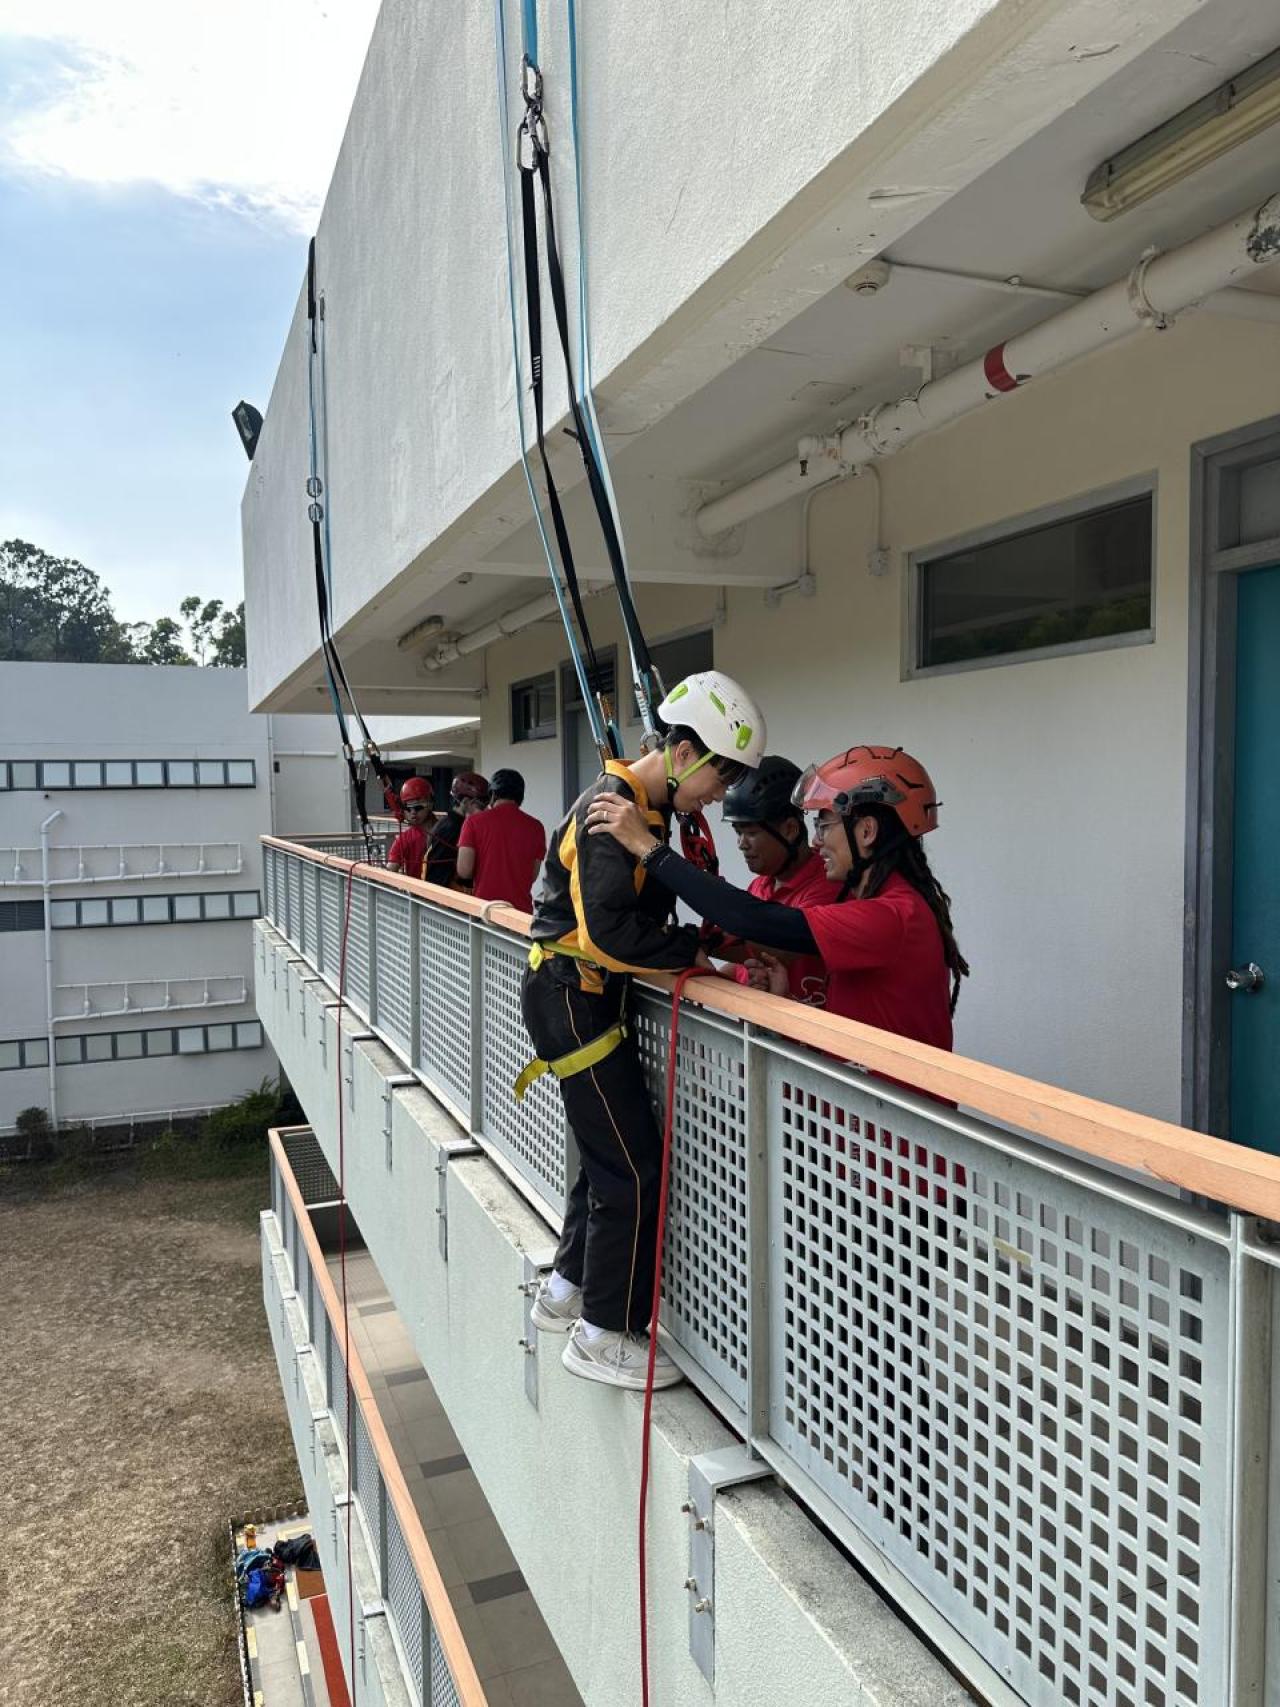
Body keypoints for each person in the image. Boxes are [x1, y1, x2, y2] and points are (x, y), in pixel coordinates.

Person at [521, 671, 766, 1390]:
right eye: (721, 776)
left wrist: (700, 937)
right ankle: (602, 1333)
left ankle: (566, 1288)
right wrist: (691, 953)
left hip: (576, 997)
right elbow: (609, 933)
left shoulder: (642, 810)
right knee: (632, 1169)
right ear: (685, 752)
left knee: (608, 1154)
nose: (720, 795)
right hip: (577, 997)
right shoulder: (615, 809)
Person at [586, 745, 967, 1050]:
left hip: (885, 1123)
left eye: (825, 825)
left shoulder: (893, 915)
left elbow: (755, 922)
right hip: (854, 1115)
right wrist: (785, 1003)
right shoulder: (873, 904)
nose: (816, 841)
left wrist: (649, 849)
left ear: (866, 831)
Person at [714, 755, 843, 1005]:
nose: (741, 844)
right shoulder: (759, 886)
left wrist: (699, 942)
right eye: (738, 833)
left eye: (751, 832)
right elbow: (742, 964)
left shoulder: (828, 884)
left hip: (808, 1029)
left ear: (790, 830)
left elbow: (780, 948)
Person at [455, 768, 547, 912]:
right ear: (520, 797)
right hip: (520, 914)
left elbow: (464, 871)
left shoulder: (473, 822)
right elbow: (532, 875)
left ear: (492, 794)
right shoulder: (536, 827)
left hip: (485, 911)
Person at [422, 771, 490, 888]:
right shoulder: (452, 829)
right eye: (481, 806)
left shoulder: (446, 823)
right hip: (447, 895)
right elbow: (436, 876)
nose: (484, 811)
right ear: (465, 802)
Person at [385, 776, 434, 874]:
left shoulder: (445, 831)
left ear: (430, 805)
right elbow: (390, 870)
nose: (413, 813)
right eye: (407, 808)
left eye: (418, 807)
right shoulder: (404, 839)